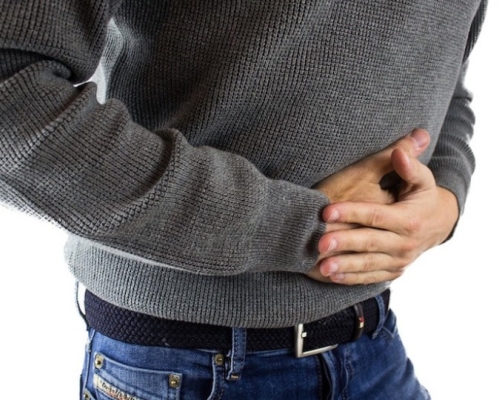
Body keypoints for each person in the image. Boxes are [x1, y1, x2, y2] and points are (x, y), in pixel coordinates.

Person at [0, 1, 487, 399]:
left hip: (372, 343)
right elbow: (12, 102)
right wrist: (304, 231)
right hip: (188, 361)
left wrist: (444, 199)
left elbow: (445, 71)